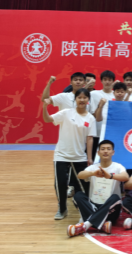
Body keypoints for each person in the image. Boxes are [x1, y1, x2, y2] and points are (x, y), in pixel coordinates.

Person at [43, 88, 96, 221]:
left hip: (80, 156)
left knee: (84, 185)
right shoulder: (66, 113)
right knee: (60, 183)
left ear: (88, 100)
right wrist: (45, 107)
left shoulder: (90, 118)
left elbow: (90, 138)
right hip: (61, 155)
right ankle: (62, 208)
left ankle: (85, 208)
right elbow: (48, 119)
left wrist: (89, 158)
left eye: (85, 97)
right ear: (75, 99)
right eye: (79, 97)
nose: (82, 100)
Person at [67, 140, 129, 237]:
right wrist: (93, 173)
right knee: (78, 195)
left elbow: (126, 177)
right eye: (103, 149)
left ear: (113, 152)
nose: (105, 151)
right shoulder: (93, 167)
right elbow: (80, 175)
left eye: (108, 149)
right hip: (94, 206)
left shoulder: (118, 167)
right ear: (98, 153)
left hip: (110, 210)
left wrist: (111, 176)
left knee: (116, 198)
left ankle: (85, 225)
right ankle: (102, 225)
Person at [95, 82, 128, 147]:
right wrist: (100, 106)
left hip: (123, 133)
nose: (119, 93)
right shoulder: (107, 104)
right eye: (117, 92)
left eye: (122, 92)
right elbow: (98, 119)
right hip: (109, 133)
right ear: (113, 93)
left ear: (125, 93)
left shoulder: (128, 106)